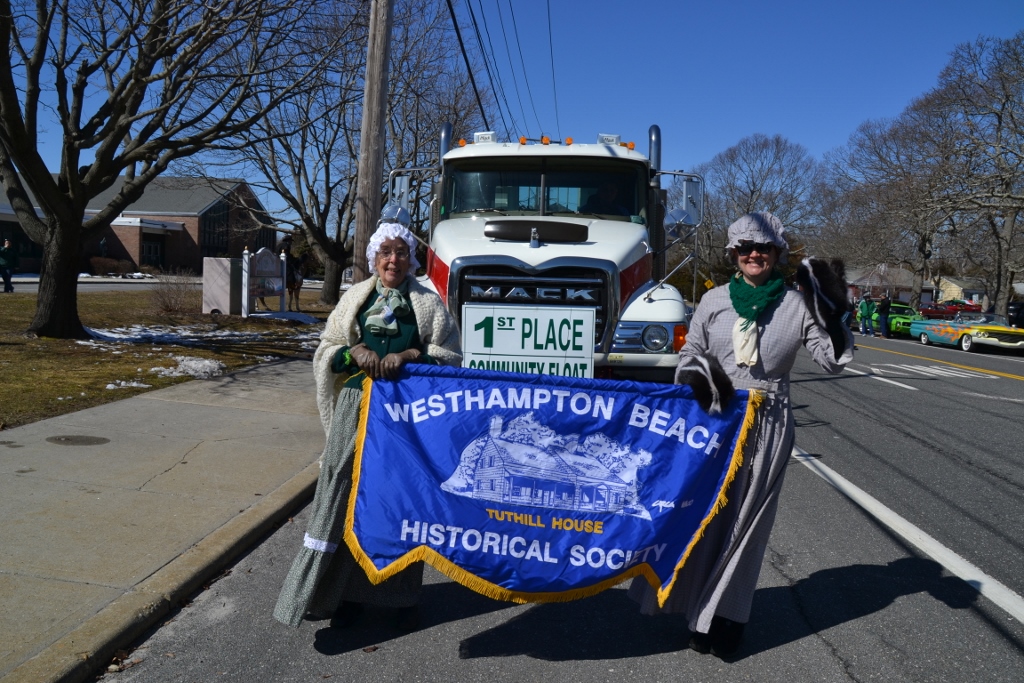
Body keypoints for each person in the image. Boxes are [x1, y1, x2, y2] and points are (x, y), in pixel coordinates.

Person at [627, 212, 853, 658]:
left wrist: (833, 305)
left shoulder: (796, 304)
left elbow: (831, 360)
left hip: (768, 425)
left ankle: (726, 619)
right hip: (714, 423)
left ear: (777, 254)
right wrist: (706, 386)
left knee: (746, 527)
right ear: (734, 254)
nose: (755, 254)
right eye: (747, 247)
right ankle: (693, 608)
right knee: (704, 517)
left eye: (764, 248)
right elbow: (692, 351)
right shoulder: (713, 303)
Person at [274, 222, 462, 632]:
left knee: (399, 501)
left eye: (400, 252)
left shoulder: (429, 304)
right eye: (385, 252)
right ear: (375, 258)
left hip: (406, 420)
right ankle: (338, 595)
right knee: (344, 497)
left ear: (411, 258)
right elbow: (327, 349)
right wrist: (351, 351)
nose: (393, 259)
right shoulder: (354, 300)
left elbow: (450, 359)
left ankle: (398, 597)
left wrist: (413, 355)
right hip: (356, 409)